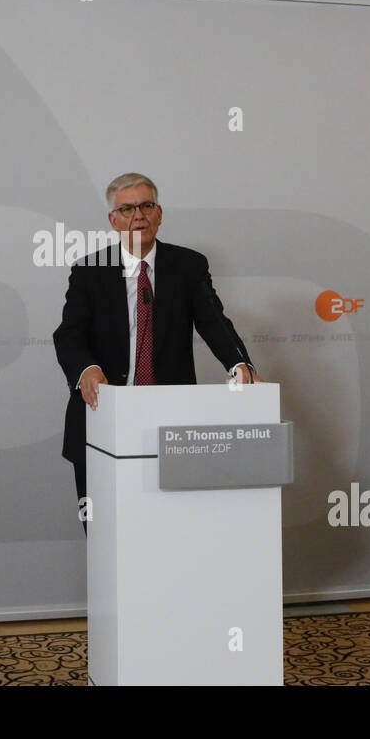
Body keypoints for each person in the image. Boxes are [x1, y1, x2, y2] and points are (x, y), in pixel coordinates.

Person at [53, 173, 260, 515]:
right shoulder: (90, 269)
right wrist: (87, 369)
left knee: (167, 525)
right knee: (105, 529)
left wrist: (239, 365)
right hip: (101, 416)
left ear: (159, 213)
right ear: (113, 220)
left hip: (169, 421)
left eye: (147, 205)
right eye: (128, 208)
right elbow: (68, 334)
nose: (139, 215)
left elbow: (214, 323)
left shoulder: (188, 266)